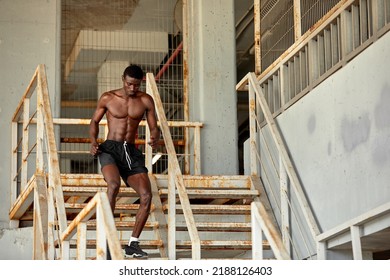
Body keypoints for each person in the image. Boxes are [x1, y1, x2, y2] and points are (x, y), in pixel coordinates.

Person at [89, 64, 160, 258]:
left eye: (136, 85)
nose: (132, 89)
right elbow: (94, 121)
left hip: (130, 151)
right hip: (110, 148)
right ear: (123, 79)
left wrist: (155, 136)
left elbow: (154, 126)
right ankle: (109, 239)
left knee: (146, 195)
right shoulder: (108, 97)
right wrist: (94, 142)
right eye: (129, 84)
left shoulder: (145, 100)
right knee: (113, 185)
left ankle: (133, 244)